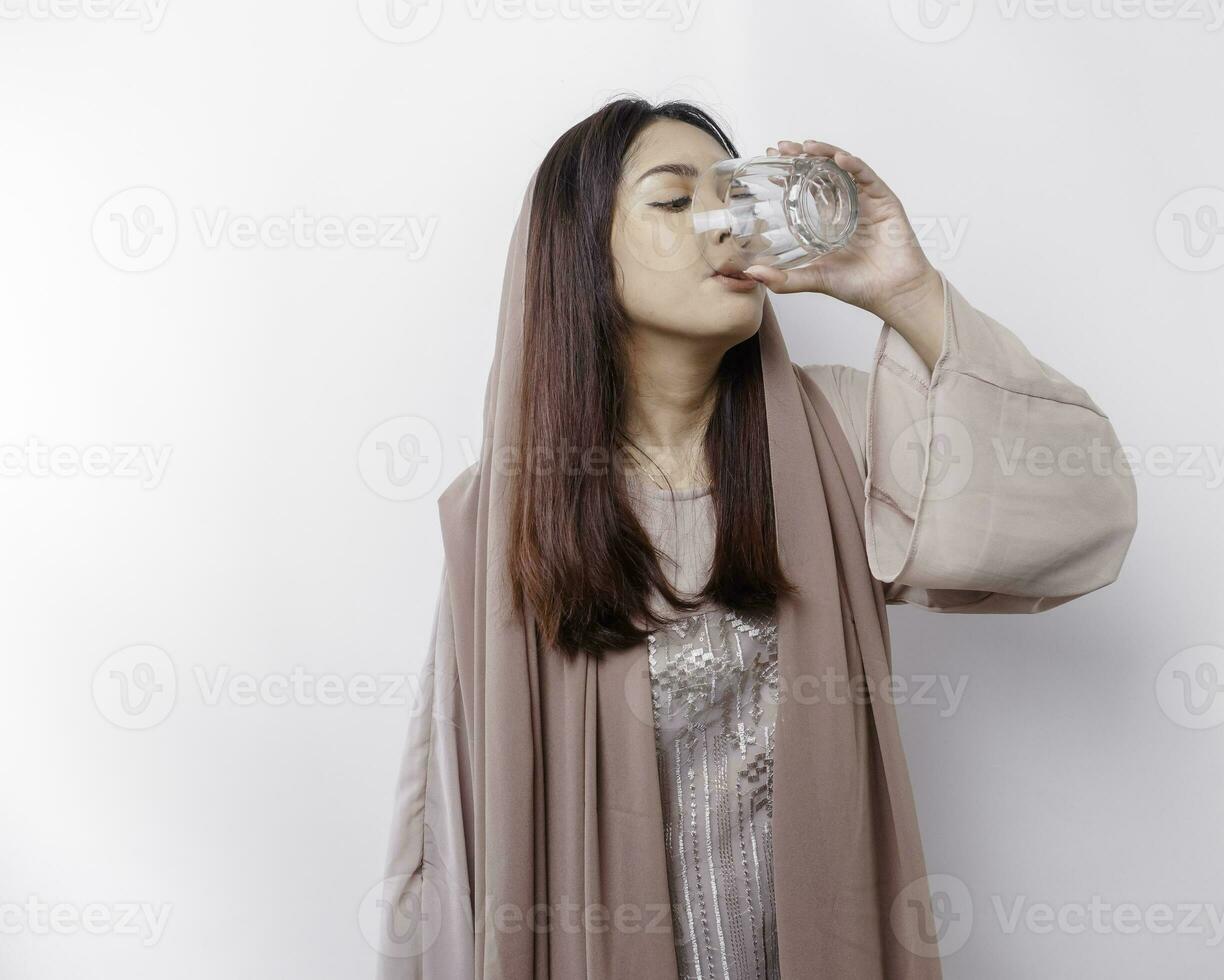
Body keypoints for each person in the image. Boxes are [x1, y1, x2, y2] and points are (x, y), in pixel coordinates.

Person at [375, 97, 1138, 980]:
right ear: (579, 253)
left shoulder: (838, 433)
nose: (725, 223)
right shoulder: (506, 513)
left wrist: (909, 292)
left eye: (736, 196)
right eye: (673, 200)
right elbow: (450, 819)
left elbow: (1085, 513)